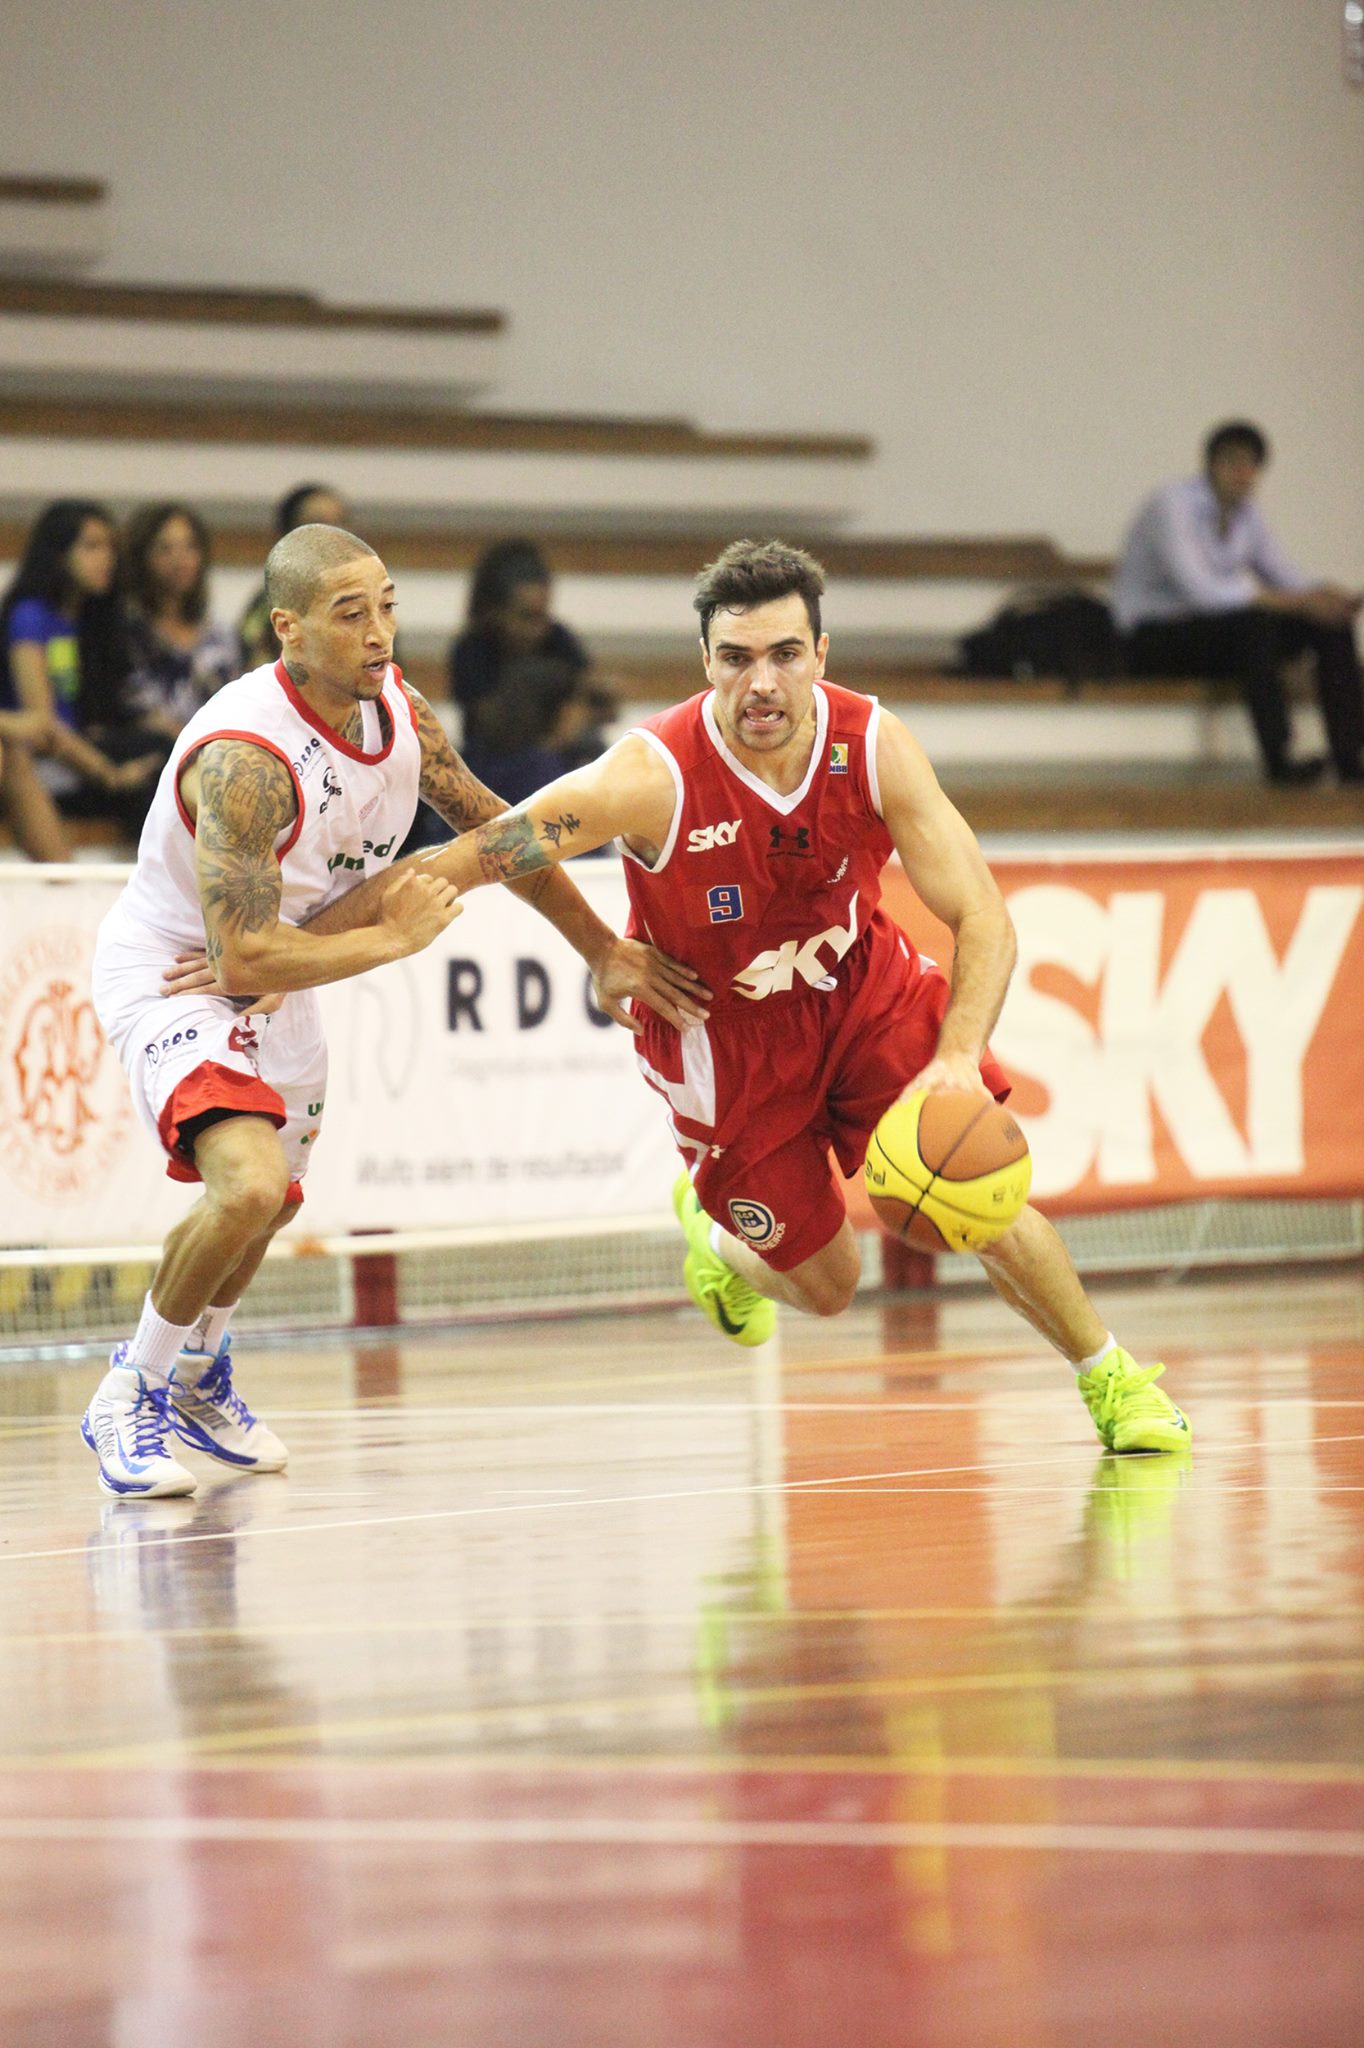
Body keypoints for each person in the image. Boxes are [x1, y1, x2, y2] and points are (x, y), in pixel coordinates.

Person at [310, 539, 1192, 1457]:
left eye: (783, 655)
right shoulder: (651, 776)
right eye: (736, 658)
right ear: (706, 663)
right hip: (720, 1038)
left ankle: (1113, 1378)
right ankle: (719, 1243)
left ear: (820, 655)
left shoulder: (874, 745)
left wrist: (958, 1056)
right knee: (831, 1286)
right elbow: (483, 853)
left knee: (983, 1191)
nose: (760, 682)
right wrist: (285, 949)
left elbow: (984, 918)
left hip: (862, 994)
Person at [86, 522, 702, 1499]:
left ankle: (200, 1373)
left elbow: (500, 835)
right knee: (243, 1184)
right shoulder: (245, 757)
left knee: (269, 1206)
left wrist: (601, 948)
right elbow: (238, 954)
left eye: (386, 606)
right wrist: (394, 939)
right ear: (287, 627)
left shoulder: (400, 710)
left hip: (297, 958)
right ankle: (130, 1390)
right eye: (349, 613)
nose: (378, 632)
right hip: (180, 969)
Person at [1113, 421, 1364, 785]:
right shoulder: (1171, 503)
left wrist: (1332, 598)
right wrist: (1298, 602)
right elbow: (1203, 591)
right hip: (1151, 639)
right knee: (1254, 623)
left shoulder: (1247, 514)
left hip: (1216, 636)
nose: (1242, 474)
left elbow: (1284, 573)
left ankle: (1350, 759)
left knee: (1331, 623)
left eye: (1251, 466)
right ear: (1212, 464)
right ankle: (1279, 759)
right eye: (1233, 463)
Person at [0, 499, 165, 860]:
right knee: (150, 776)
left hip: (71, 750)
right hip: (44, 756)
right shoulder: (31, 616)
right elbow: (43, 723)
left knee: (165, 749)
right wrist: (109, 773)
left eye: (109, 547)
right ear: (58, 554)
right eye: (91, 546)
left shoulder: (89, 620)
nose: (106, 558)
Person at [449, 538, 618, 806]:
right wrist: (551, 738)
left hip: (561, 765)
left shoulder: (559, 640)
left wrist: (582, 709)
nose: (537, 629)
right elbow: (494, 728)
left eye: (542, 615)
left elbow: (605, 705)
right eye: (525, 617)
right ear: (494, 612)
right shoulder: (472, 650)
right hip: (492, 769)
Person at [123, 501, 243, 733]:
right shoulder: (124, 634)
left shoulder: (221, 635)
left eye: (190, 547)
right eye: (165, 548)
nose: (180, 561)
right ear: (141, 557)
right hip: (154, 755)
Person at [237, 482, 350, 669]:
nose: (333, 535)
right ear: (289, 536)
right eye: (319, 524)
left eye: (340, 522)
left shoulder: (368, 602)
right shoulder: (267, 610)